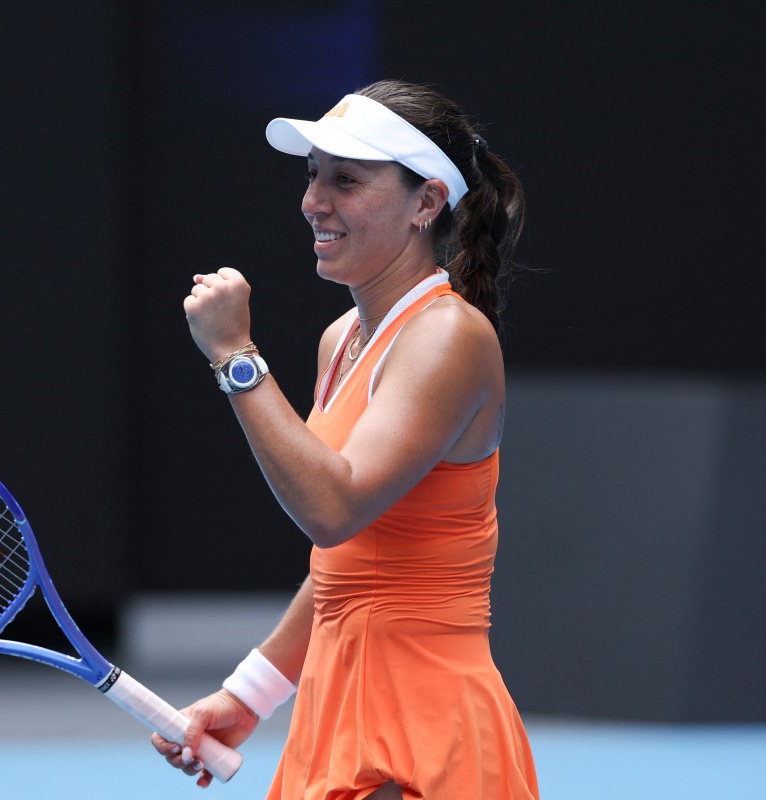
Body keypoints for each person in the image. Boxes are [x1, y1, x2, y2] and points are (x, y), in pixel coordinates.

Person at [151, 80, 538, 799]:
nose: (313, 202)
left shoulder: (449, 336)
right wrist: (246, 698)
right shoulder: (344, 340)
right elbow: (349, 566)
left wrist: (235, 357)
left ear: (427, 203)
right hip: (338, 705)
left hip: (422, 725)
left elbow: (333, 510)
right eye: (312, 175)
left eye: (346, 180)